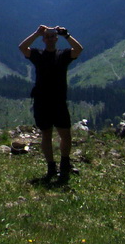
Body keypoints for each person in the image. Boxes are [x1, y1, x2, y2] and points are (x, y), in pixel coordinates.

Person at [18, 24, 83, 182]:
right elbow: (22, 47)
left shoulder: (64, 55)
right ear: (43, 40)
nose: (50, 38)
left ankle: (64, 164)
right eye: (47, 36)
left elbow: (79, 49)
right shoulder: (37, 55)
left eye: (53, 36)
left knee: (65, 134)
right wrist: (36, 32)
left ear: (56, 38)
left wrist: (66, 35)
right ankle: (51, 167)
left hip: (58, 100)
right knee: (46, 134)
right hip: (42, 100)